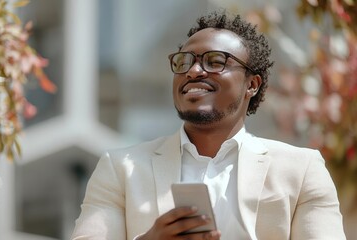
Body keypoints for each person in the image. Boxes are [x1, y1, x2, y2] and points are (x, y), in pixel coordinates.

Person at [71, 11, 346, 240]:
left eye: (215, 61)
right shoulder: (120, 169)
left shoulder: (301, 170)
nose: (193, 71)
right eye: (184, 62)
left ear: (252, 84)